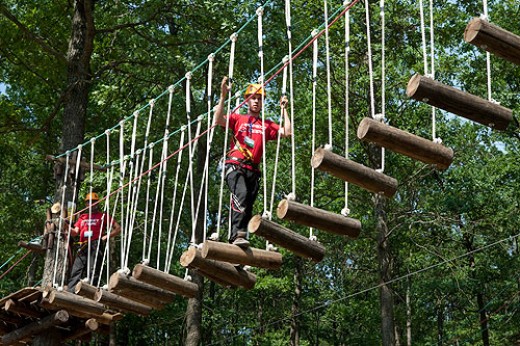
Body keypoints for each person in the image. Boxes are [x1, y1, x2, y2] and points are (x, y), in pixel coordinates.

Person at [214, 76, 292, 248]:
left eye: (259, 98)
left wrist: (284, 110)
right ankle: (237, 235)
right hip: (235, 165)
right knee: (240, 196)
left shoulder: (266, 124)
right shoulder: (238, 118)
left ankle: (238, 242)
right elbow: (218, 120)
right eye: (253, 98)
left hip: (253, 170)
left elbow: (287, 132)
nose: (256, 101)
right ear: (247, 101)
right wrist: (223, 96)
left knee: (247, 206)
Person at [67, 192, 121, 292]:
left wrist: (105, 237)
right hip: (83, 245)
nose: (91, 204)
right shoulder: (82, 217)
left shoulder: (102, 216)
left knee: (93, 269)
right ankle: (70, 291)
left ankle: (90, 292)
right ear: (86, 204)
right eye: (89, 202)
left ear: (97, 203)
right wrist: (66, 226)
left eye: (94, 202)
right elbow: (75, 233)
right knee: (76, 269)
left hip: (95, 243)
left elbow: (118, 228)